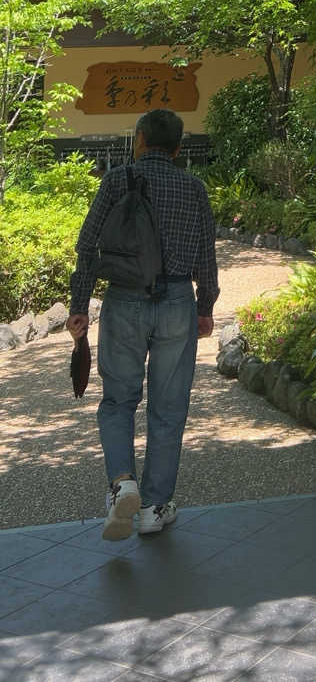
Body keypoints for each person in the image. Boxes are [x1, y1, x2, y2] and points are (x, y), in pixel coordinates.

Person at [66, 108, 219, 542]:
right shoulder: (194, 188)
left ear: (138, 140)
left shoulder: (117, 181)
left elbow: (87, 245)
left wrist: (79, 306)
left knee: (117, 400)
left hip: (124, 300)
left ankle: (122, 485)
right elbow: (207, 254)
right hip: (176, 303)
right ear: (177, 148)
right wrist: (204, 306)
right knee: (168, 409)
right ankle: (154, 507)